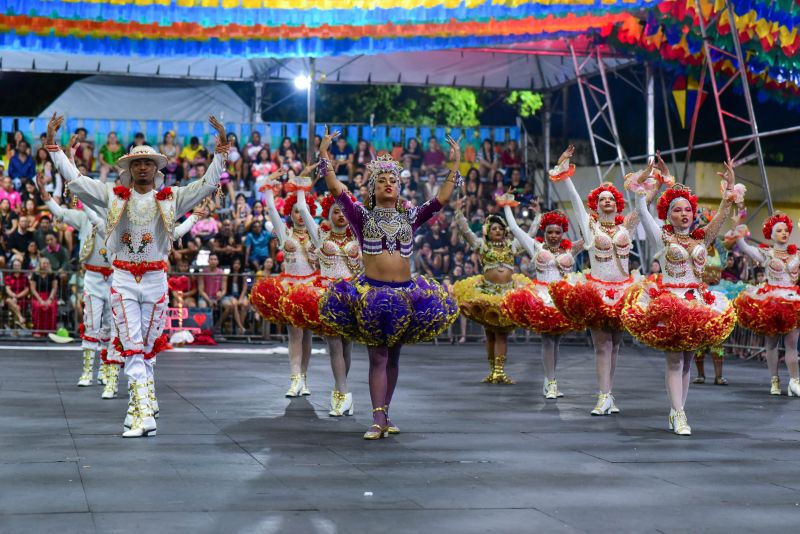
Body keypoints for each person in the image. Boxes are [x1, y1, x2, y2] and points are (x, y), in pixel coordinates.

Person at [46, 112, 229, 438]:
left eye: (148, 163)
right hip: (123, 279)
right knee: (130, 345)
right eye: (137, 163)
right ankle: (145, 414)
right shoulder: (112, 196)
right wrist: (56, 150)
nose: (143, 167)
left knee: (146, 348)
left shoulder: (172, 198)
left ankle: (136, 407)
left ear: (156, 169)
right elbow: (76, 181)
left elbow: (208, 185)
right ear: (129, 169)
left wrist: (221, 153)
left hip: (157, 280)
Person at [318, 129, 459, 440]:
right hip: (372, 296)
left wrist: (455, 166)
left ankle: (385, 413)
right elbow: (335, 188)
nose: (388, 184)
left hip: (407, 295)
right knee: (378, 356)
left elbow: (441, 200)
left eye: (393, 180)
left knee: (393, 356)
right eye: (381, 180)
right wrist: (324, 155)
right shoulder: (361, 215)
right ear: (373, 187)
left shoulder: (410, 217)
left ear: (400, 186)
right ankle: (377, 417)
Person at [622, 160, 741, 436]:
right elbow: (641, 208)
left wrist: (730, 190)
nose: (684, 214)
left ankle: (678, 411)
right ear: (668, 214)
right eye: (677, 210)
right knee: (675, 360)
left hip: (697, 302)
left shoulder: (702, 238)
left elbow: (722, 217)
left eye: (688, 209)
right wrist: (649, 179)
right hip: (669, 302)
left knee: (688, 360)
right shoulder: (661, 236)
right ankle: (679, 413)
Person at [549, 145, 661, 416]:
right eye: (603, 200)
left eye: (612, 199)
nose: (608, 201)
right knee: (602, 345)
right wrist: (564, 173)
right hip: (597, 291)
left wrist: (656, 177)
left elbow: (644, 202)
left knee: (616, 346)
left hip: (624, 290)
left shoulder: (628, 226)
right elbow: (574, 199)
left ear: (617, 203)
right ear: (596, 206)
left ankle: (609, 394)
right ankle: (602, 395)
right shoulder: (590, 227)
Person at [286, 189, 362, 416]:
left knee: (347, 345)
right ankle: (341, 393)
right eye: (335, 212)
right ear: (327, 215)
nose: (340, 216)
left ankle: (342, 391)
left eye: (344, 212)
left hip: (352, 295)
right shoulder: (319, 235)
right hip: (328, 295)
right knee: (334, 346)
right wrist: (300, 187)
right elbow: (303, 209)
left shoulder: (357, 236)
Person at [502, 204, 583, 398]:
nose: (554, 235)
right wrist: (506, 205)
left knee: (556, 343)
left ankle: (550, 381)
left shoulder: (571, 249)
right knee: (548, 341)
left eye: (557, 232)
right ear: (544, 231)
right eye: (550, 232)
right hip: (542, 298)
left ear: (563, 232)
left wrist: (588, 216)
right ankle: (552, 382)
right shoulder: (535, 247)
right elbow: (514, 229)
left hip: (562, 300)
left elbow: (589, 238)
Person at [251, 169, 319, 397]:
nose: (300, 215)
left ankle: (305, 378)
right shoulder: (284, 232)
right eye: (296, 211)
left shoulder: (317, 234)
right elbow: (270, 209)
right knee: (295, 335)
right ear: (290, 213)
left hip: (311, 288)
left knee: (308, 335)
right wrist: (269, 186)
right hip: (290, 288)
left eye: (304, 211)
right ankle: (294, 379)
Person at [452, 196, 529, 384]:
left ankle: (500, 371)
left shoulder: (512, 246)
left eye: (500, 229)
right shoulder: (482, 246)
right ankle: (493, 370)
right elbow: (466, 231)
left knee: (502, 333)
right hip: (487, 293)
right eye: (494, 228)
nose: (497, 231)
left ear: (505, 232)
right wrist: (459, 212)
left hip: (507, 294)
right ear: (488, 231)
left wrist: (536, 217)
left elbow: (528, 238)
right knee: (489, 333)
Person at [731, 212, 800, 397]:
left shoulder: (797, 254)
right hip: (771, 301)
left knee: (792, 343)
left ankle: (794, 381)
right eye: (779, 230)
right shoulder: (766, 253)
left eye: (786, 230)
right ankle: (774, 379)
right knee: (771, 343)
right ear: (771, 234)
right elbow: (743, 246)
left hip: (793, 300)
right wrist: (738, 226)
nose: (784, 233)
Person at [29, 257, 58, 337]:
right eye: (44, 263)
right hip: (38, 296)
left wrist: (50, 299)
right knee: (38, 307)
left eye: (47, 263)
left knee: (51, 307)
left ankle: (50, 331)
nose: (45, 265)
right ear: (40, 264)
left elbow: (54, 288)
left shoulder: (52, 274)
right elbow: (33, 289)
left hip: (49, 296)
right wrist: (40, 299)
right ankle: (37, 331)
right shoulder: (35, 274)